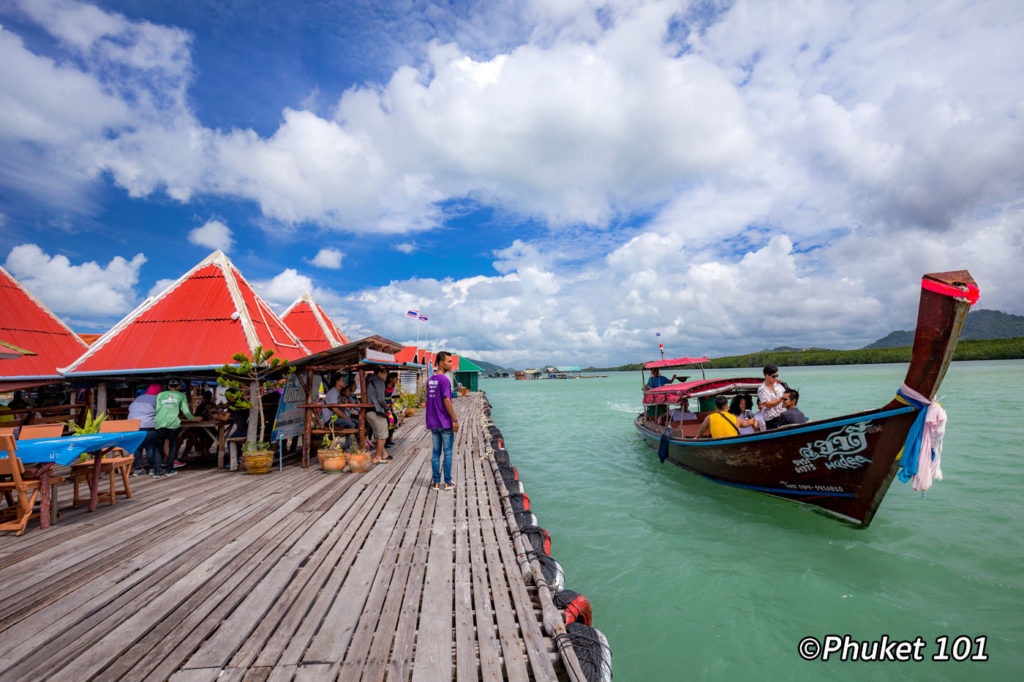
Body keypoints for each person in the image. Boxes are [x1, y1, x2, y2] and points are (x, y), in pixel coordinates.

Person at [426, 351, 458, 490]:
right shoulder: (445, 380)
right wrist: (454, 419)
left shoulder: (430, 380)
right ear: (440, 363)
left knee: (435, 453)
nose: (451, 364)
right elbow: (446, 400)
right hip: (444, 422)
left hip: (433, 422)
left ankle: (436, 482)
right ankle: (448, 482)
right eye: (449, 361)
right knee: (448, 452)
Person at [153, 379, 194, 477]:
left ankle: (157, 472)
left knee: (158, 448)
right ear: (179, 387)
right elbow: (186, 412)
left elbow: (157, 409)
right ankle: (169, 470)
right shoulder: (181, 396)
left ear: (168, 387)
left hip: (159, 422)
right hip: (173, 423)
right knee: (173, 446)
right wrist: (193, 418)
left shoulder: (160, 395)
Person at [127, 384, 162, 475]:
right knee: (150, 447)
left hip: (133, 426)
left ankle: (138, 469)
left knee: (137, 448)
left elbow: (130, 408)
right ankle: (152, 468)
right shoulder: (157, 399)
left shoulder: (138, 398)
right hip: (148, 426)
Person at [365, 366, 390, 464]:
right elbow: (380, 399)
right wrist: (387, 408)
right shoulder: (379, 382)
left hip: (368, 412)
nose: (386, 376)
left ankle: (384, 454)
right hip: (376, 411)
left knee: (378, 434)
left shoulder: (369, 380)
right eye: (386, 374)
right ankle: (377, 457)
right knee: (383, 435)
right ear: (381, 373)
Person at [757, 365, 787, 430]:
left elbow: (786, 398)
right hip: (771, 421)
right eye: (773, 376)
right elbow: (768, 405)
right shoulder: (762, 389)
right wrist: (781, 399)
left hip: (783, 417)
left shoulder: (779, 386)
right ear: (766, 375)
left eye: (777, 376)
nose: (776, 378)